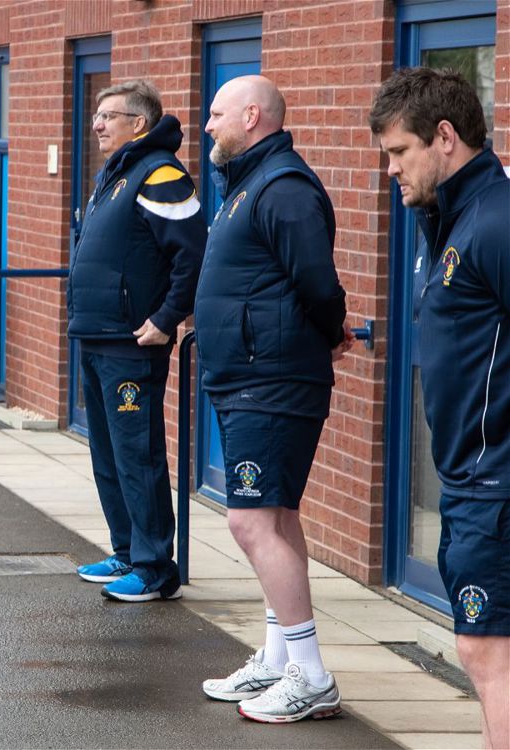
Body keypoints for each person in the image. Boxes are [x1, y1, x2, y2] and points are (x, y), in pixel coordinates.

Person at [195, 75, 354, 723]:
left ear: (252, 116)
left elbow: (318, 281)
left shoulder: (283, 188)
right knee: (278, 517)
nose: (207, 125)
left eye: (217, 113)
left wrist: (330, 333)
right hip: (250, 377)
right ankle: (279, 657)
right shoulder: (250, 184)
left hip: (273, 379)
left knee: (251, 521)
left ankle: (310, 674)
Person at [370, 67, 509, 750]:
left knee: (490, 654)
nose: (391, 169)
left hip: (496, 485)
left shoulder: (495, 222)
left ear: (445, 137)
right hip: (469, 481)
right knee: (486, 655)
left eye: (399, 153)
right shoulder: (449, 221)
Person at [68, 79, 207, 603]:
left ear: (139, 123)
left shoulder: (161, 174)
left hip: (133, 344)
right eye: (97, 115)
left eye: (109, 115)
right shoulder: (117, 173)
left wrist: (167, 318)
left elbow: (192, 255)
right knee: (107, 453)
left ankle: (155, 568)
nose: (98, 124)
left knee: (137, 453)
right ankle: (127, 550)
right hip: (97, 335)